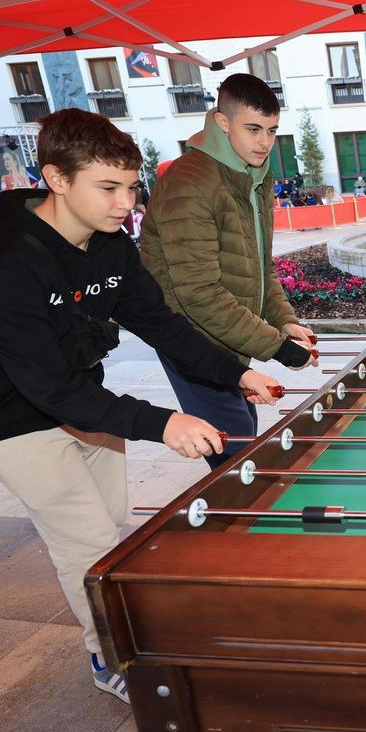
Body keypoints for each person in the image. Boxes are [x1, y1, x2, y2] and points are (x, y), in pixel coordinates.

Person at [0, 108, 280, 705]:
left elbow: (159, 323)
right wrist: (163, 422)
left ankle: (120, 633)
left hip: (83, 402)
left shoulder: (110, 245)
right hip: (7, 416)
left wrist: (237, 370)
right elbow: (44, 387)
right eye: (108, 187)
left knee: (111, 533)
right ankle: (111, 655)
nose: (126, 203)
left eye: (131, 187)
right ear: (57, 178)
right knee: (88, 542)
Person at [140, 74, 318, 469]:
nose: (264, 142)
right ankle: (237, 526)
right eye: (252, 129)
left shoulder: (253, 175)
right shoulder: (190, 181)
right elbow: (197, 293)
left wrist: (284, 322)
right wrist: (278, 347)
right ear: (223, 122)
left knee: (243, 439)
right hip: (192, 340)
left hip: (229, 338)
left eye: (272, 131)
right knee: (238, 459)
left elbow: (259, 265)